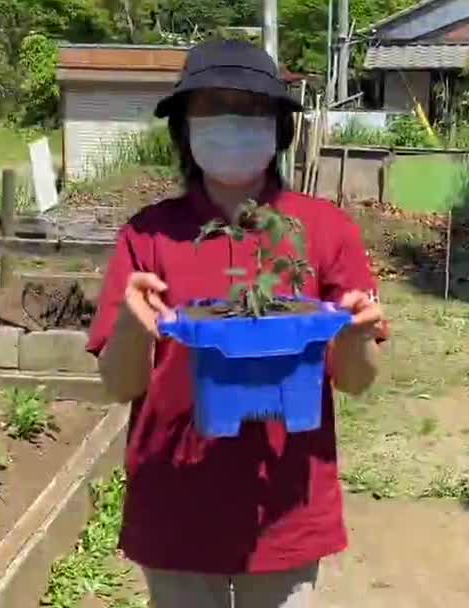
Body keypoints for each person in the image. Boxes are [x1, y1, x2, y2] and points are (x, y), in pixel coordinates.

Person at [87, 40, 389, 608]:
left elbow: (357, 380)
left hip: (284, 507)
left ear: (278, 126)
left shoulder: (323, 230)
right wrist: (132, 326)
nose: (232, 122)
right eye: (212, 106)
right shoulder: (149, 234)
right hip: (175, 505)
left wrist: (351, 334)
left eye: (250, 108)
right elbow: (119, 386)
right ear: (184, 128)